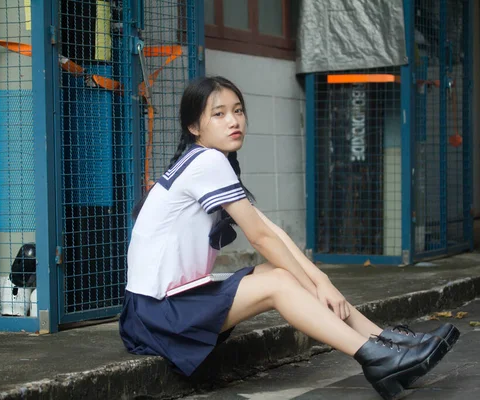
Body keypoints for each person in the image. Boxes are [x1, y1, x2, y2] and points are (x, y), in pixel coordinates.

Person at [120, 76, 459, 400]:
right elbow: (260, 238)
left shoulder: (203, 161)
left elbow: (272, 231)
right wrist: (317, 282)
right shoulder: (207, 161)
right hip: (158, 314)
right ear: (195, 127)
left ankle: (382, 339)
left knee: (275, 272)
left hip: (158, 308)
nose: (233, 120)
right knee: (279, 282)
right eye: (219, 114)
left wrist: (320, 279)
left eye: (238, 110)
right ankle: (376, 357)